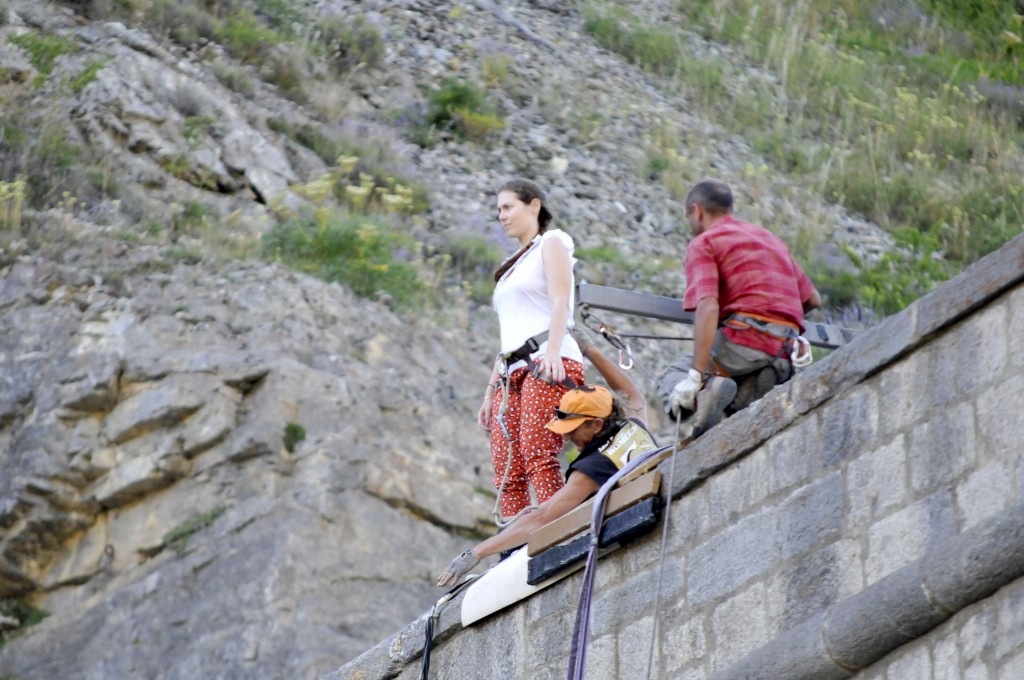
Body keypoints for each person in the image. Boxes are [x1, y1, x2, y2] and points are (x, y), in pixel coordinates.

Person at [439, 328, 656, 587]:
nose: (567, 438)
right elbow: (632, 394)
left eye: (573, 430)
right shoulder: (633, 425)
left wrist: (476, 553)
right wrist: (591, 350)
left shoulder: (592, 468)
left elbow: (544, 518)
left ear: (597, 425)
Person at [657, 179, 822, 436]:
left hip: (742, 340)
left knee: (672, 374)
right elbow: (812, 300)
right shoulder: (771, 240)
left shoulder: (705, 242)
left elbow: (708, 306)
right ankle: (751, 381)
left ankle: (707, 393)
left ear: (697, 211)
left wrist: (695, 376)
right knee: (737, 409)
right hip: (786, 352)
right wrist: (777, 325)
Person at [479, 178, 586, 524]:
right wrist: (490, 391)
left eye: (508, 206)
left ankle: (558, 530)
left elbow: (560, 301)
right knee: (507, 467)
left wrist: (553, 350)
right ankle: (515, 547)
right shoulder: (509, 266)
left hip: (546, 359)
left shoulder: (552, 242)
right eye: (498, 210)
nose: (502, 215)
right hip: (510, 373)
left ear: (534, 206)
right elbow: (508, 336)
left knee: (538, 452)